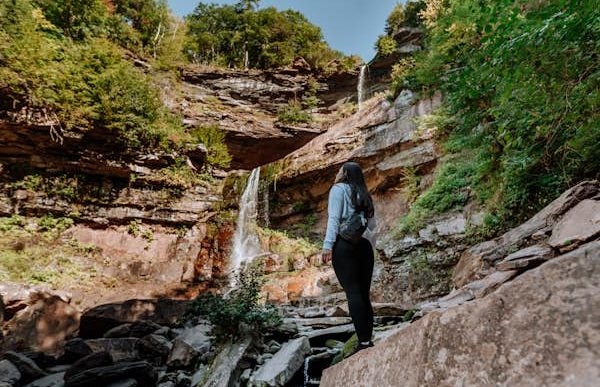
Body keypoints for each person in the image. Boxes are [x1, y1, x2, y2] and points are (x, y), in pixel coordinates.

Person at [322, 161, 377, 352]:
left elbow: (334, 219)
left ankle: (362, 342)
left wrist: (327, 246)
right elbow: (372, 227)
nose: (337, 173)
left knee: (353, 293)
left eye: (339, 170)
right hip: (364, 246)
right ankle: (367, 340)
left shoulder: (338, 190)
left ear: (344, 173)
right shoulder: (365, 193)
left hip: (344, 246)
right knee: (364, 294)